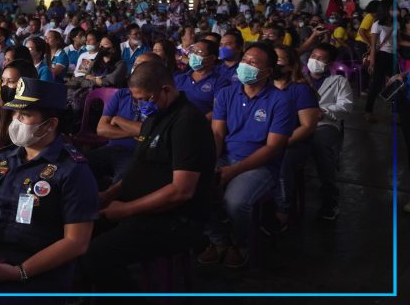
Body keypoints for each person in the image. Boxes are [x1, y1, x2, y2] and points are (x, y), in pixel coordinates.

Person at [80, 62, 216, 292]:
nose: (141, 104)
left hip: (174, 220)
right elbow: (140, 169)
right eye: (137, 100)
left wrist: (127, 209)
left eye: (145, 98)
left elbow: (181, 191)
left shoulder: (187, 123)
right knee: (78, 233)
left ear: (165, 89)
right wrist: (110, 194)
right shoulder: (154, 117)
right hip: (142, 209)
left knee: (94, 257)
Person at [0, 78, 98, 296]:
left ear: (51, 124)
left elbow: (76, 242)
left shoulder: (72, 170)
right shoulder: (3, 160)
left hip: (35, 276)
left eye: (25, 116)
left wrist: (19, 272)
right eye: (15, 114)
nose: (16, 121)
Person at [201, 42, 294, 268]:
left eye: (253, 63)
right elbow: (217, 133)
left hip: (260, 165)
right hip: (226, 158)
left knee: (235, 202)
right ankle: (219, 240)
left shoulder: (280, 101)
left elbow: (272, 148)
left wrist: (233, 171)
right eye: (244, 61)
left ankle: (240, 243)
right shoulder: (226, 94)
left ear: (268, 72)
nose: (245, 66)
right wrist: (212, 163)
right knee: (195, 188)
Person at [272, 45, 321, 227]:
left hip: (294, 143)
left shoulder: (300, 90)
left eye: (278, 60)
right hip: (267, 140)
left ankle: (282, 211)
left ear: (291, 67)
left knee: (282, 161)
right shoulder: (265, 87)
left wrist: (278, 144)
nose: (274, 64)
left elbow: (308, 127)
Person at [305, 43, 354, 220]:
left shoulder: (338, 81)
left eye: (320, 58)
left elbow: (346, 105)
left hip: (324, 123)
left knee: (321, 148)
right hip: (297, 123)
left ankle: (330, 197)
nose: (314, 60)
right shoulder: (300, 78)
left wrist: (324, 111)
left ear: (329, 63)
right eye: (313, 56)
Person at [0, 60, 39, 165]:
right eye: (3, 81)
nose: (4, 86)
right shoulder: (0, 113)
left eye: (11, 82)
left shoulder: (36, 117)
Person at [174, 39, 229, 118]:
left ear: (212, 57)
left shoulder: (220, 82)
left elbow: (218, 110)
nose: (194, 55)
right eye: (193, 51)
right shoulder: (179, 78)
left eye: (199, 52)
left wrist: (198, 122)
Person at [364, 0, 397, 123]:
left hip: (393, 56)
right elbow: (373, 45)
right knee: (376, 85)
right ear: (386, 9)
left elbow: (397, 41)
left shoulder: (395, 24)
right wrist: (372, 62)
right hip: (381, 56)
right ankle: (368, 111)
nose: (396, 11)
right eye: (393, 8)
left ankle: (395, 113)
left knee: (397, 84)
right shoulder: (377, 24)